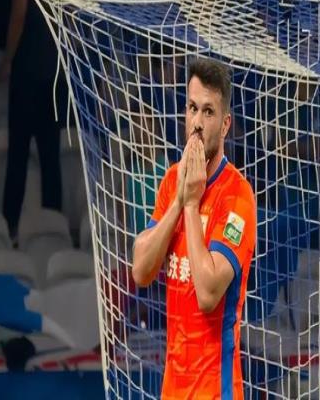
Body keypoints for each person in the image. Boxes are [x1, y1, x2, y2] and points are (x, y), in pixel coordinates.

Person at [132, 58, 256, 399]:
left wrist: (190, 204)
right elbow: (141, 270)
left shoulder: (238, 196)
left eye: (208, 112)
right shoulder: (172, 179)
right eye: (192, 109)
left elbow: (208, 294)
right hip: (173, 388)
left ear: (226, 124)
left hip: (215, 390)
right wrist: (178, 201)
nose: (197, 123)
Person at [0, 0, 72, 239]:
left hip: (27, 71)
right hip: (54, 75)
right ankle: (53, 229)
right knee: (50, 157)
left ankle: (11, 228)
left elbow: (19, 10)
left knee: (18, 155)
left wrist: (8, 58)